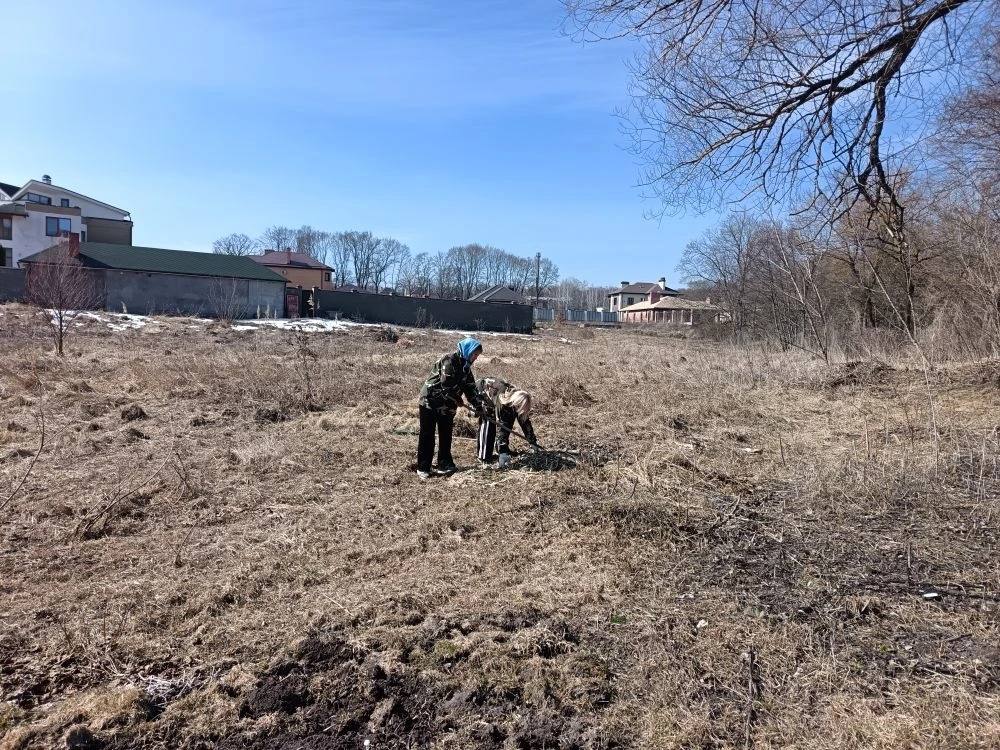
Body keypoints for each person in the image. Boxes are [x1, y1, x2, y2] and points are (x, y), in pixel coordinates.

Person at [416, 337, 486, 479]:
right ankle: (423, 467)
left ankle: (444, 463)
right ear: (468, 350)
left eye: (477, 356)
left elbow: (471, 389)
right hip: (430, 401)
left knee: (446, 434)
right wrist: (459, 400)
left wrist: (478, 406)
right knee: (427, 434)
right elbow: (446, 385)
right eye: (474, 354)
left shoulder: (466, 368)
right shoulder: (449, 360)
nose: (475, 358)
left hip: (448, 405)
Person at [476, 377, 538, 468]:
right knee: (489, 421)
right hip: (482, 391)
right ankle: (484, 457)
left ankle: (502, 450)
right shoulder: (503, 404)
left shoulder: (518, 400)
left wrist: (533, 442)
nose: (520, 410)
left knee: (509, 420)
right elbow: (502, 428)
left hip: (498, 394)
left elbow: (524, 421)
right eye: (519, 408)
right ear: (515, 403)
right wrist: (502, 452)